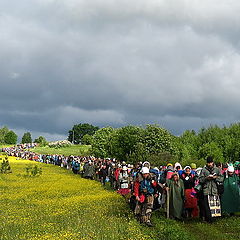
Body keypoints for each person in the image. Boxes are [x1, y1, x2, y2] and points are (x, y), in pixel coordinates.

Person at [199, 156, 224, 223]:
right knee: (206, 205)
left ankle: (214, 218)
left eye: (210, 162)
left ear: (213, 162)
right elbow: (200, 180)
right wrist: (206, 178)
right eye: (208, 163)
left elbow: (222, 178)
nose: (209, 164)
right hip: (206, 190)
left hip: (215, 189)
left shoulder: (217, 169)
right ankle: (208, 219)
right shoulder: (203, 170)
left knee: (214, 205)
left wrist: (215, 178)